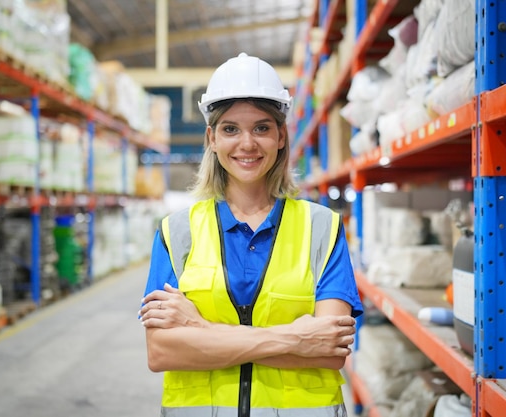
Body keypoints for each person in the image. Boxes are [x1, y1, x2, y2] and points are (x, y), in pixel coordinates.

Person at [139, 52, 363, 417]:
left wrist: (199, 328)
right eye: (230, 129)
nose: (247, 143)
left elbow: (329, 350)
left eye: (261, 127)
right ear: (212, 138)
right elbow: (162, 352)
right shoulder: (176, 232)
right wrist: (296, 339)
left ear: (280, 136)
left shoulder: (322, 227)